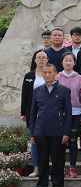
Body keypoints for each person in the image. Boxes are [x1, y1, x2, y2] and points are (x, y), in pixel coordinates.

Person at [28, 64, 72, 187]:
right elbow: (32, 113)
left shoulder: (64, 90)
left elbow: (68, 114)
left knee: (58, 160)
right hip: (40, 131)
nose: (47, 75)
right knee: (42, 160)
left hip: (57, 131)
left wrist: (66, 132)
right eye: (45, 72)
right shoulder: (37, 91)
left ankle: (58, 186)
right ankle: (41, 186)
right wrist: (32, 133)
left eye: (50, 72)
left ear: (56, 74)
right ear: (42, 74)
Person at [55, 52, 81, 178]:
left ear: (74, 62)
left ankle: (72, 167)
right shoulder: (57, 77)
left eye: (70, 60)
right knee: (60, 141)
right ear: (62, 62)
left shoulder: (80, 78)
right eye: (66, 60)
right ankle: (61, 167)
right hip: (60, 113)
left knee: (73, 141)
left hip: (75, 112)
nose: (68, 63)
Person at [21, 50, 48, 178]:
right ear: (35, 60)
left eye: (44, 58)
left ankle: (47, 167)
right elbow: (25, 95)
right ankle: (36, 167)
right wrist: (23, 112)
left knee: (49, 141)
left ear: (47, 60)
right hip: (32, 112)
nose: (41, 60)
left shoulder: (51, 74)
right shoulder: (29, 76)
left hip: (48, 113)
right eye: (39, 58)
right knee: (34, 141)